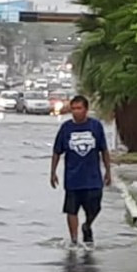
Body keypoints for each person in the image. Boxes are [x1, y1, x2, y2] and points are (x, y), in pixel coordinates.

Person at [50, 95, 112, 247]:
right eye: (73, 109)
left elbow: (104, 150)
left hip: (93, 178)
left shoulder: (95, 126)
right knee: (71, 210)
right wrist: (53, 172)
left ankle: (87, 225)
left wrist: (108, 171)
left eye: (79, 108)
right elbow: (57, 151)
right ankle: (74, 239)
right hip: (73, 179)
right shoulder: (66, 128)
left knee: (95, 207)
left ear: (86, 109)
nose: (76, 112)